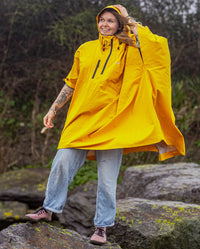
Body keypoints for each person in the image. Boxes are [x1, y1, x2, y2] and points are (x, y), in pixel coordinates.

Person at [26, 4, 185, 245]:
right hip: (81, 120)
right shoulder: (85, 49)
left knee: (108, 180)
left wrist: (129, 20)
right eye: (102, 20)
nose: (104, 24)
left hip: (113, 123)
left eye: (111, 20)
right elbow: (72, 82)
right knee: (61, 162)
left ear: (119, 24)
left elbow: (156, 45)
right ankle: (48, 209)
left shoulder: (130, 48)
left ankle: (102, 227)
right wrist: (53, 109)